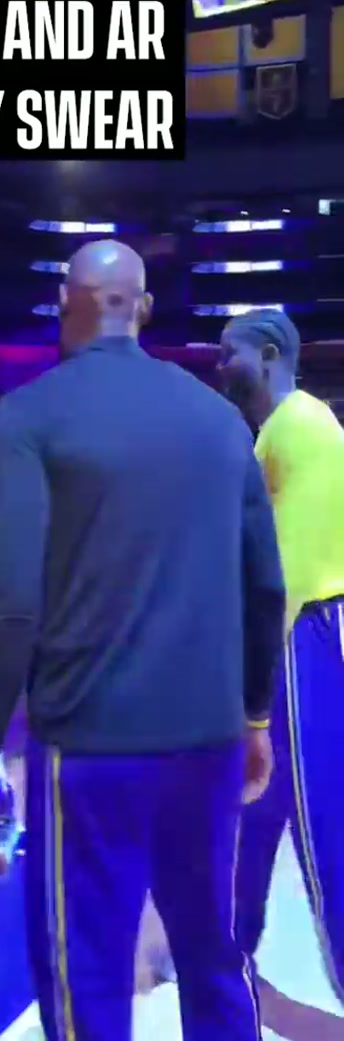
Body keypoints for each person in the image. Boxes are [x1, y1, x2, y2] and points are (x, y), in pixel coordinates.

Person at [0, 239, 286, 1041]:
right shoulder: (219, 420)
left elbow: (9, 604)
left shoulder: (30, 415)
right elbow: (265, 586)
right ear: (141, 308)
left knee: (88, 971)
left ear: (65, 301)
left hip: (89, 747)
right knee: (210, 953)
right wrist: (254, 719)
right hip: (207, 739)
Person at [219, 307, 344, 1001]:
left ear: (267, 355)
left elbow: (284, 582)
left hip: (302, 644)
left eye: (227, 351)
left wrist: (251, 701)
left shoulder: (303, 426)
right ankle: (226, 961)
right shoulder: (278, 429)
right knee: (250, 814)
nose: (217, 363)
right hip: (297, 641)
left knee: (326, 839)